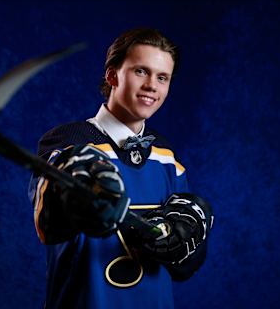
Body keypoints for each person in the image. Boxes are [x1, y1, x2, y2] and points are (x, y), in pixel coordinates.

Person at [29, 28, 214, 309]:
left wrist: (188, 237)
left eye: (162, 77)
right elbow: (48, 223)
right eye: (141, 71)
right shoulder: (69, 141)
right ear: (112, 75)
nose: (152, 85)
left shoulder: (166, 157)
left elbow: (183, 268)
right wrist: (70, 185)